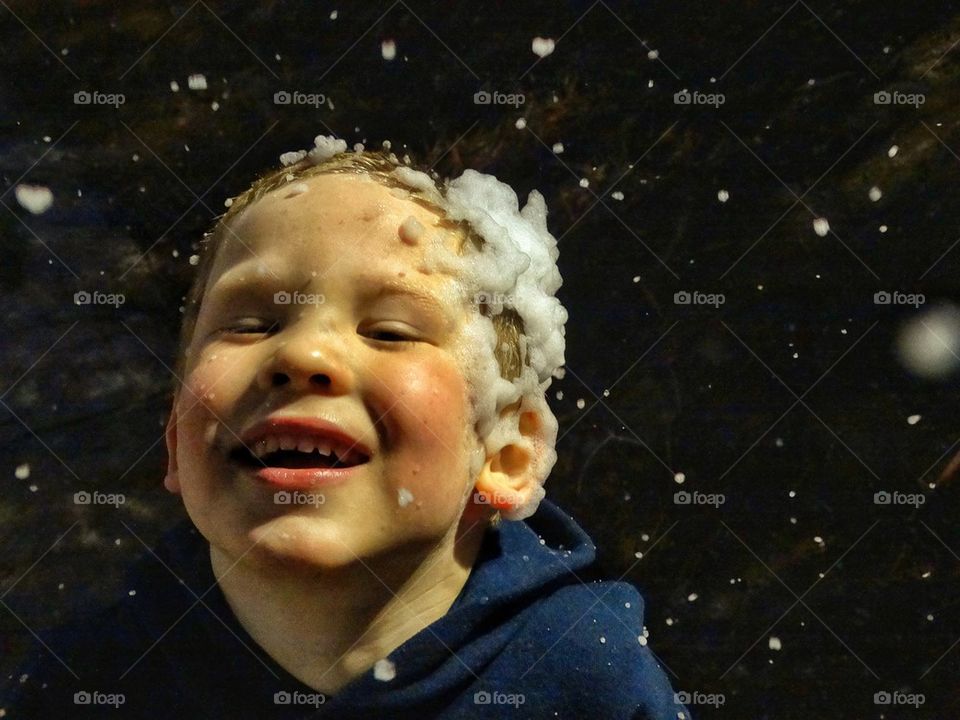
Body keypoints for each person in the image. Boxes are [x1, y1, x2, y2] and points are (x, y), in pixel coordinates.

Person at [1, 135, 690, 719]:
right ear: (176, 439)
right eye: (250, 323)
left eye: (390, 330)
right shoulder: (96, 672)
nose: (302, 354)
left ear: (510, 454)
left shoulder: (584, 682)